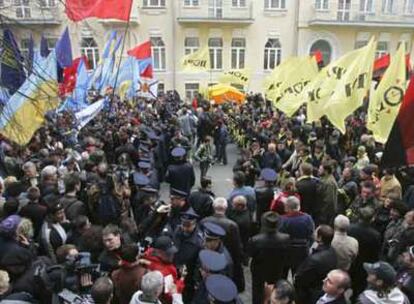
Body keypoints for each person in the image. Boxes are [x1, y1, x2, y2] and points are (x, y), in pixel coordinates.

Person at [201, 198, 244, 292]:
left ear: (213, 207)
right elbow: (236, 247)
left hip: (208, 257)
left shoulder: (204, 221)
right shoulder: (232, 225)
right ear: (226, 208)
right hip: (226, 259)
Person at [248, 211, 289, 304]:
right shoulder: (286, 238)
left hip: (259, 270)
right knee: (276, 290)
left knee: (257, 291)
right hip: (277, 269)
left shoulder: (255, 240)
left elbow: (250, 254)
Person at [294, 225, 337, 304]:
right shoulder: (333, 251)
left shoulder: (314, 259)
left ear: (320, 238)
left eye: (315, 232)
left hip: (309, 293)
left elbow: (300, 278)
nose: (313, 233)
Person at [140, 236, 184, 303]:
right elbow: (170, 296)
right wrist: (181, 280)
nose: (172, 255)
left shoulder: (148, 253)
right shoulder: (166, 273)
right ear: (159, 252)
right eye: (168, 253)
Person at [279, 196, 314, 277]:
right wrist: (307, 246)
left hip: (286, 253)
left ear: (287, 207)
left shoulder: (282, 220)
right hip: (302, 252)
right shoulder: (308, 218)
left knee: (282, 276)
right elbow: (311, 236)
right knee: (298, 276)